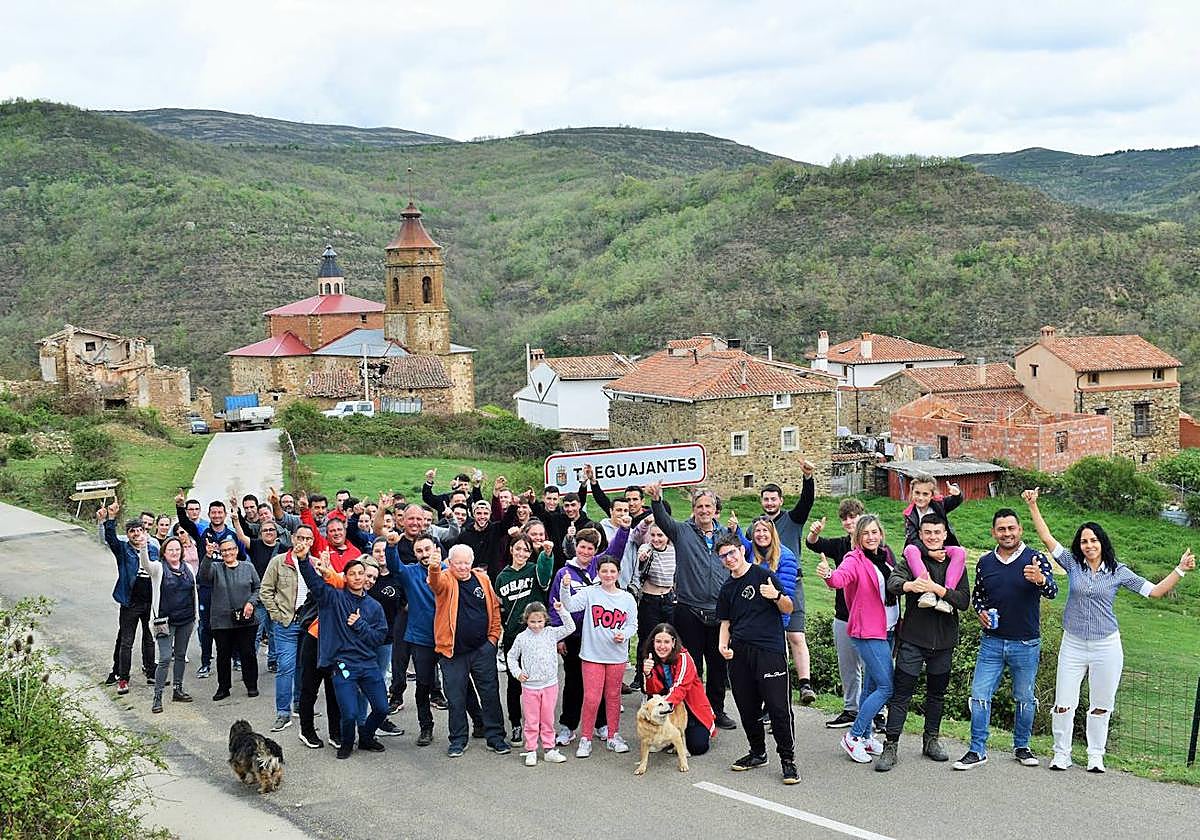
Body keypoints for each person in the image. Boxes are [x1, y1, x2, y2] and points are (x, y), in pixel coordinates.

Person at [1023, 488, 1194, 772]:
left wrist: (1180, 569)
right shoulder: (1072, 564)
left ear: (1102, 543)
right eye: (1084, 541)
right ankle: (1061, 753)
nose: (1089, 545)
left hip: (1106, 646)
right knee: (1064, 702)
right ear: (1079, 545)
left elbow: (1154, 592)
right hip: (1073, 643)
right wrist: (1033, 505)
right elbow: (1047, 538)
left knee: (1101, 703)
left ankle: (1095, 755)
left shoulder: (1119, 572)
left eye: (1094, 540)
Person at [953, 507, 1058, 771]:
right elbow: (978, 596)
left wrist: (1040, 579)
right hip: (991, 642)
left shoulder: (1036, 558)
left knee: (1024, 698)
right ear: (994, 532)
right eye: (1002, 529)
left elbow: (1053, 591)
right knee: (978, 695)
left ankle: (1022, 746)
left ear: (1020, 530)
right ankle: (977, 750)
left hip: (1026, 643)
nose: (1007, 533)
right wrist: (980, 613)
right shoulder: (985, 562)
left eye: (1011, 528)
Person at [875, 515, 970, 771]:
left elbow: (963, 601)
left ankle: (931, 740)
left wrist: (939, 591)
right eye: (927, 532)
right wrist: (911, 585)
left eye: (937, 532)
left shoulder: (956, 561)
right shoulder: (912, 557)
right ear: (921, 533)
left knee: (936, 694)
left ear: (945, 533)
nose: (932, 537)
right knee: (901, 693)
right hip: (913, 640)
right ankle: (891, 745)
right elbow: (893, 584)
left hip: (944, 642)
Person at [647, 483, 737, 730]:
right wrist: (657, 499)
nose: (704, 510)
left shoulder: (726, 536)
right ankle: (691, 711)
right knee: (691, 665)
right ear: (693, 509)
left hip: (720, 613)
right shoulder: (682, 531)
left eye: (708, 506)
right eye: (699, 506)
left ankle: (716, 710)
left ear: (716, 509)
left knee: (718, 666)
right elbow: (664, 521)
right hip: (689, 610)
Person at [715, 533, 798, 785]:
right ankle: (757, 752)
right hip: (739, 654)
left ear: (742, 550)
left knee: (778, 708)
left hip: (770, 651)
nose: (729, 559)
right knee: (747, 708)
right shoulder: (727, 588)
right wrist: (722, 644)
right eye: (723, 556)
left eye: (732, 553)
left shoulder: (763, 575)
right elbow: (726, 621)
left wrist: (774, 595)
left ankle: (788, 760)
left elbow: (788, 607)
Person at [817, 514, 896, 765]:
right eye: (866, 533)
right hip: (868, 631)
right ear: (857, 537)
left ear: (881, 534)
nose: (871, 537)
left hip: (890, 630)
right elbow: (840, 579)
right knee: (886, 687)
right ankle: (853, 736)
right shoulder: (854, 559)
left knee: (872, 687)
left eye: (875, 532)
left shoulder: (885, 558)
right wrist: (828, 574)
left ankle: (867, 736)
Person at [298, 550, 391, 759]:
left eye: (361, 573)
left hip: (368, 665)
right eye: (353, 574)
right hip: (343, 666)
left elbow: (379, 638)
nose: (358, 578)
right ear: (345, 577)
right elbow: (315, 583)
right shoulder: (334, 598)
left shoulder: (374, 607)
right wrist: (304, 561)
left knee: (382, 708)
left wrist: (360, 625)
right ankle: (347, 743)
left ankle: (366, 737)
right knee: (348, 714)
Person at [427, 544, 511, 758]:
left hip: (482, 649)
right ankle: (458, 739)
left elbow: (493, 607)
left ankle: (496, 737)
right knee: (456, 698)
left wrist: (493, 639)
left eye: (466, 563)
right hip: (453, 652)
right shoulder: (445, 578)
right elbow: (435, 584)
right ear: (450, 563)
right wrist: (434, 568)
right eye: (458, 563)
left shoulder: (482, 579)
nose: (463, 567)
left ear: (472, 563)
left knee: (490, 694)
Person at [564, 554, 638, 758]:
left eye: (612, 571)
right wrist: (564, 587)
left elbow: (633, 624)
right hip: (592, 655)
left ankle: (613, 735)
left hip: (617, 656)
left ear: (618, 574)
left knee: (613, 697)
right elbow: (569, 606)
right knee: (591, 698)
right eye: (604, 571)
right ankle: (585, 738)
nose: (608, 574)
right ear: (598, 573)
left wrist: (625, 634)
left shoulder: (627, 598)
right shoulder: (590, 593)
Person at [757, 463, 818, 703]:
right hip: (764, 586)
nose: (770, 503)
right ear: (761, 501)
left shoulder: (793, 520)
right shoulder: (758, 527)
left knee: (795, 635)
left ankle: (805, 685)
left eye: (774, 499)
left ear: (781, 500)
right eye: (766, 499)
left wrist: (808, 477)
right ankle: (773, 684)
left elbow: (806, 501)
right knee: (771, 638)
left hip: (792, 584)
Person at [806, 499, 867, 729]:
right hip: (843, 615)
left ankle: (878, 712)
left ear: (862, 516)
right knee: (848, 666)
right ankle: (851, 709)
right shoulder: (841, 545)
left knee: (872, 666)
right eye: (845, 518)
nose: (849, 521)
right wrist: (814, 533)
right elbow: (813, 545)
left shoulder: (874, 544)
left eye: (853, 516)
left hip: (870, 617)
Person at [496, 533, 555, 744]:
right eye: (518, 548)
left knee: (541, 681)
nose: (521, 553)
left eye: (526, 550)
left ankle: (541, 724)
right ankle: (515, 723)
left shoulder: (534, 569)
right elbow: (500, 606)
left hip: (538, 634)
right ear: (511, 549)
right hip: (514, 636)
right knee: (515, 682)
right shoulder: (502, 576)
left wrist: (546, 555)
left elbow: (546, 575)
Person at [99, 501, 159, 694]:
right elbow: (110, 538)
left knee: (149, 639)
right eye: (131, 531)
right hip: (130, 602)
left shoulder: (153, 550)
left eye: (138, 530)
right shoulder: (123, 550)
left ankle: (151, 672)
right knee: (127, 641)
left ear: (144, 532)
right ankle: (123, 678)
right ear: (129, 533)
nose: (135, 534)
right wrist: (111, 518)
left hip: (150, 601)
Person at [260, 522, 314, 733]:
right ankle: (283, 712)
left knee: (304, 666)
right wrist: (277, 616)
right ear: (293, 539)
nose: (304, 542)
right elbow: (265, 591)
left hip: (308, 623)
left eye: (308, 539)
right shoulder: (279, 562)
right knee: (286, 667)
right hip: (286, 623)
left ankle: (300, 705)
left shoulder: (315, 563)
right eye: (300, 538)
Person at [506, 601, 575, 766]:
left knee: (548, 718)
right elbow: (511, 656)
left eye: (539, 622)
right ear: (526, 620)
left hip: (550, 684)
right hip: (530, 687)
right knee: (531, 720)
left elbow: (570, 627)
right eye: (532, 622)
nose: (536, 625)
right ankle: (531, 750)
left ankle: (549, 749)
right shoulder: (522, 638)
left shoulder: (551, 633)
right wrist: (517, 673)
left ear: (545, 620)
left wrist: (562, 611)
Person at [137, 534, 197, 713]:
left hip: (186, 619)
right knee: (164, 658)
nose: (174, 552)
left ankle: (178, 689)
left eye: (177, 549)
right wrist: (143, 547)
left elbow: (193, 591)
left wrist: (195, 616)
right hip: (164, 622)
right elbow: (146, 565)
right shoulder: (158, 568)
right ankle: (157, 696)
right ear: (164, 551)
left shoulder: (187, 567)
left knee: (180, 655)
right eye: (170, 549)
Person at [199, 535, 261, 702]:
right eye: (224, 550)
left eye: (230, 549)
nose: (227, 553)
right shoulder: (216, 567)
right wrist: (208, 556)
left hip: (246, 619)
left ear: (236, 550)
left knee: (248, 653)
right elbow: (203, 577)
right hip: (222, 620)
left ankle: (251, 684)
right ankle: (223, 687)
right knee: (223, 655)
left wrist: (251, 603)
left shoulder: (248, 567)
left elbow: (258, 588)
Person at [642, 623, 716, 757]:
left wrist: (662, 706)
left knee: (698, 747)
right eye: (658, 641)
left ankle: (676, 734)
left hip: (691, 708)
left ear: (674, 642)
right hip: (669, 708)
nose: (662, 646)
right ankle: (669, 735)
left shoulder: (684, 657)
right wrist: (648, 674)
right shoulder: (651, 659)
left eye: (666, 642)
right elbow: (653, 691)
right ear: (652, 642)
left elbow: (680, 688)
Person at [629, 520, 676, 693]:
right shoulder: (647, 549)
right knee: (647, 643)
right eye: (653, 535)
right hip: (650, 601)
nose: (656, 539)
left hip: (669, 600)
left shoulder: (673, 551)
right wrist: (643, 556)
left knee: (669, 643)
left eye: (660, 536)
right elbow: (642, 553)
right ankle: (644, 685)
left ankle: (666, 683)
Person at [902, 473, 962, 547]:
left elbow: (955, 501)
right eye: (917, 493)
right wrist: (929, 553)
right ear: (912, 492)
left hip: (941, 546)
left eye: (925, 494)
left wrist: (957, 495)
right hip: (921, 550)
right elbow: (912, 538)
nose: (920, 498)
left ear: (932, 495)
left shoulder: (940, 504)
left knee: (960, 551)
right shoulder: (909, 514)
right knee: (910, 549)